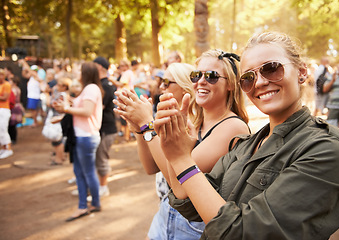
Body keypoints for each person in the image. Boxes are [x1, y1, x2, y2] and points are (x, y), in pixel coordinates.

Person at [154, 32, 339, 239]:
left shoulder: (324, 149)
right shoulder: (245, 145)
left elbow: (242, 234)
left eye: (272, 69)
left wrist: (182, 159)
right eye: (248, 77)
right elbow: (187, 201)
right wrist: (172, 147)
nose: (259, 83)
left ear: (301, 72)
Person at [114, 50, 250, 240]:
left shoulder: (233, 127)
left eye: (211, 76)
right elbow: (151, 167)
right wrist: (138, 128)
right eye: (196, 75)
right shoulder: (194, 121)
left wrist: (147, 125)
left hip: (193, 229)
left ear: (231, 85)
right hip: (165, 217)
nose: (201, 81)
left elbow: (177, 185)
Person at [54, 62, 103, 221]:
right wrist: (62, 114)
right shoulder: (88, 89)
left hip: (86, 137)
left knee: (86, 172)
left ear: (85, 73)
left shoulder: (90, 89)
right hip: (82, 136)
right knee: (80, 172)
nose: (76, 73)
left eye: (78, 71)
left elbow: (87, 112)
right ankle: (87, 205)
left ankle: (89, 205)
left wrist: (66, 109)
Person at [93, 56, 117, 198]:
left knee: (102, 158)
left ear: (100, 67)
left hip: (107, 129)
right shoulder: (101, 84)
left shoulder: (106, 85)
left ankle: (103, 187)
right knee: (98, 158)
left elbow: (98, 107)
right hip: (102, 129)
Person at [0, 69, 14, 159]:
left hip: (4, 110)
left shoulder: (7, 85)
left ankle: (8, 149)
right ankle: (4, 148)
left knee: (3, 129)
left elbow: (5, 97)